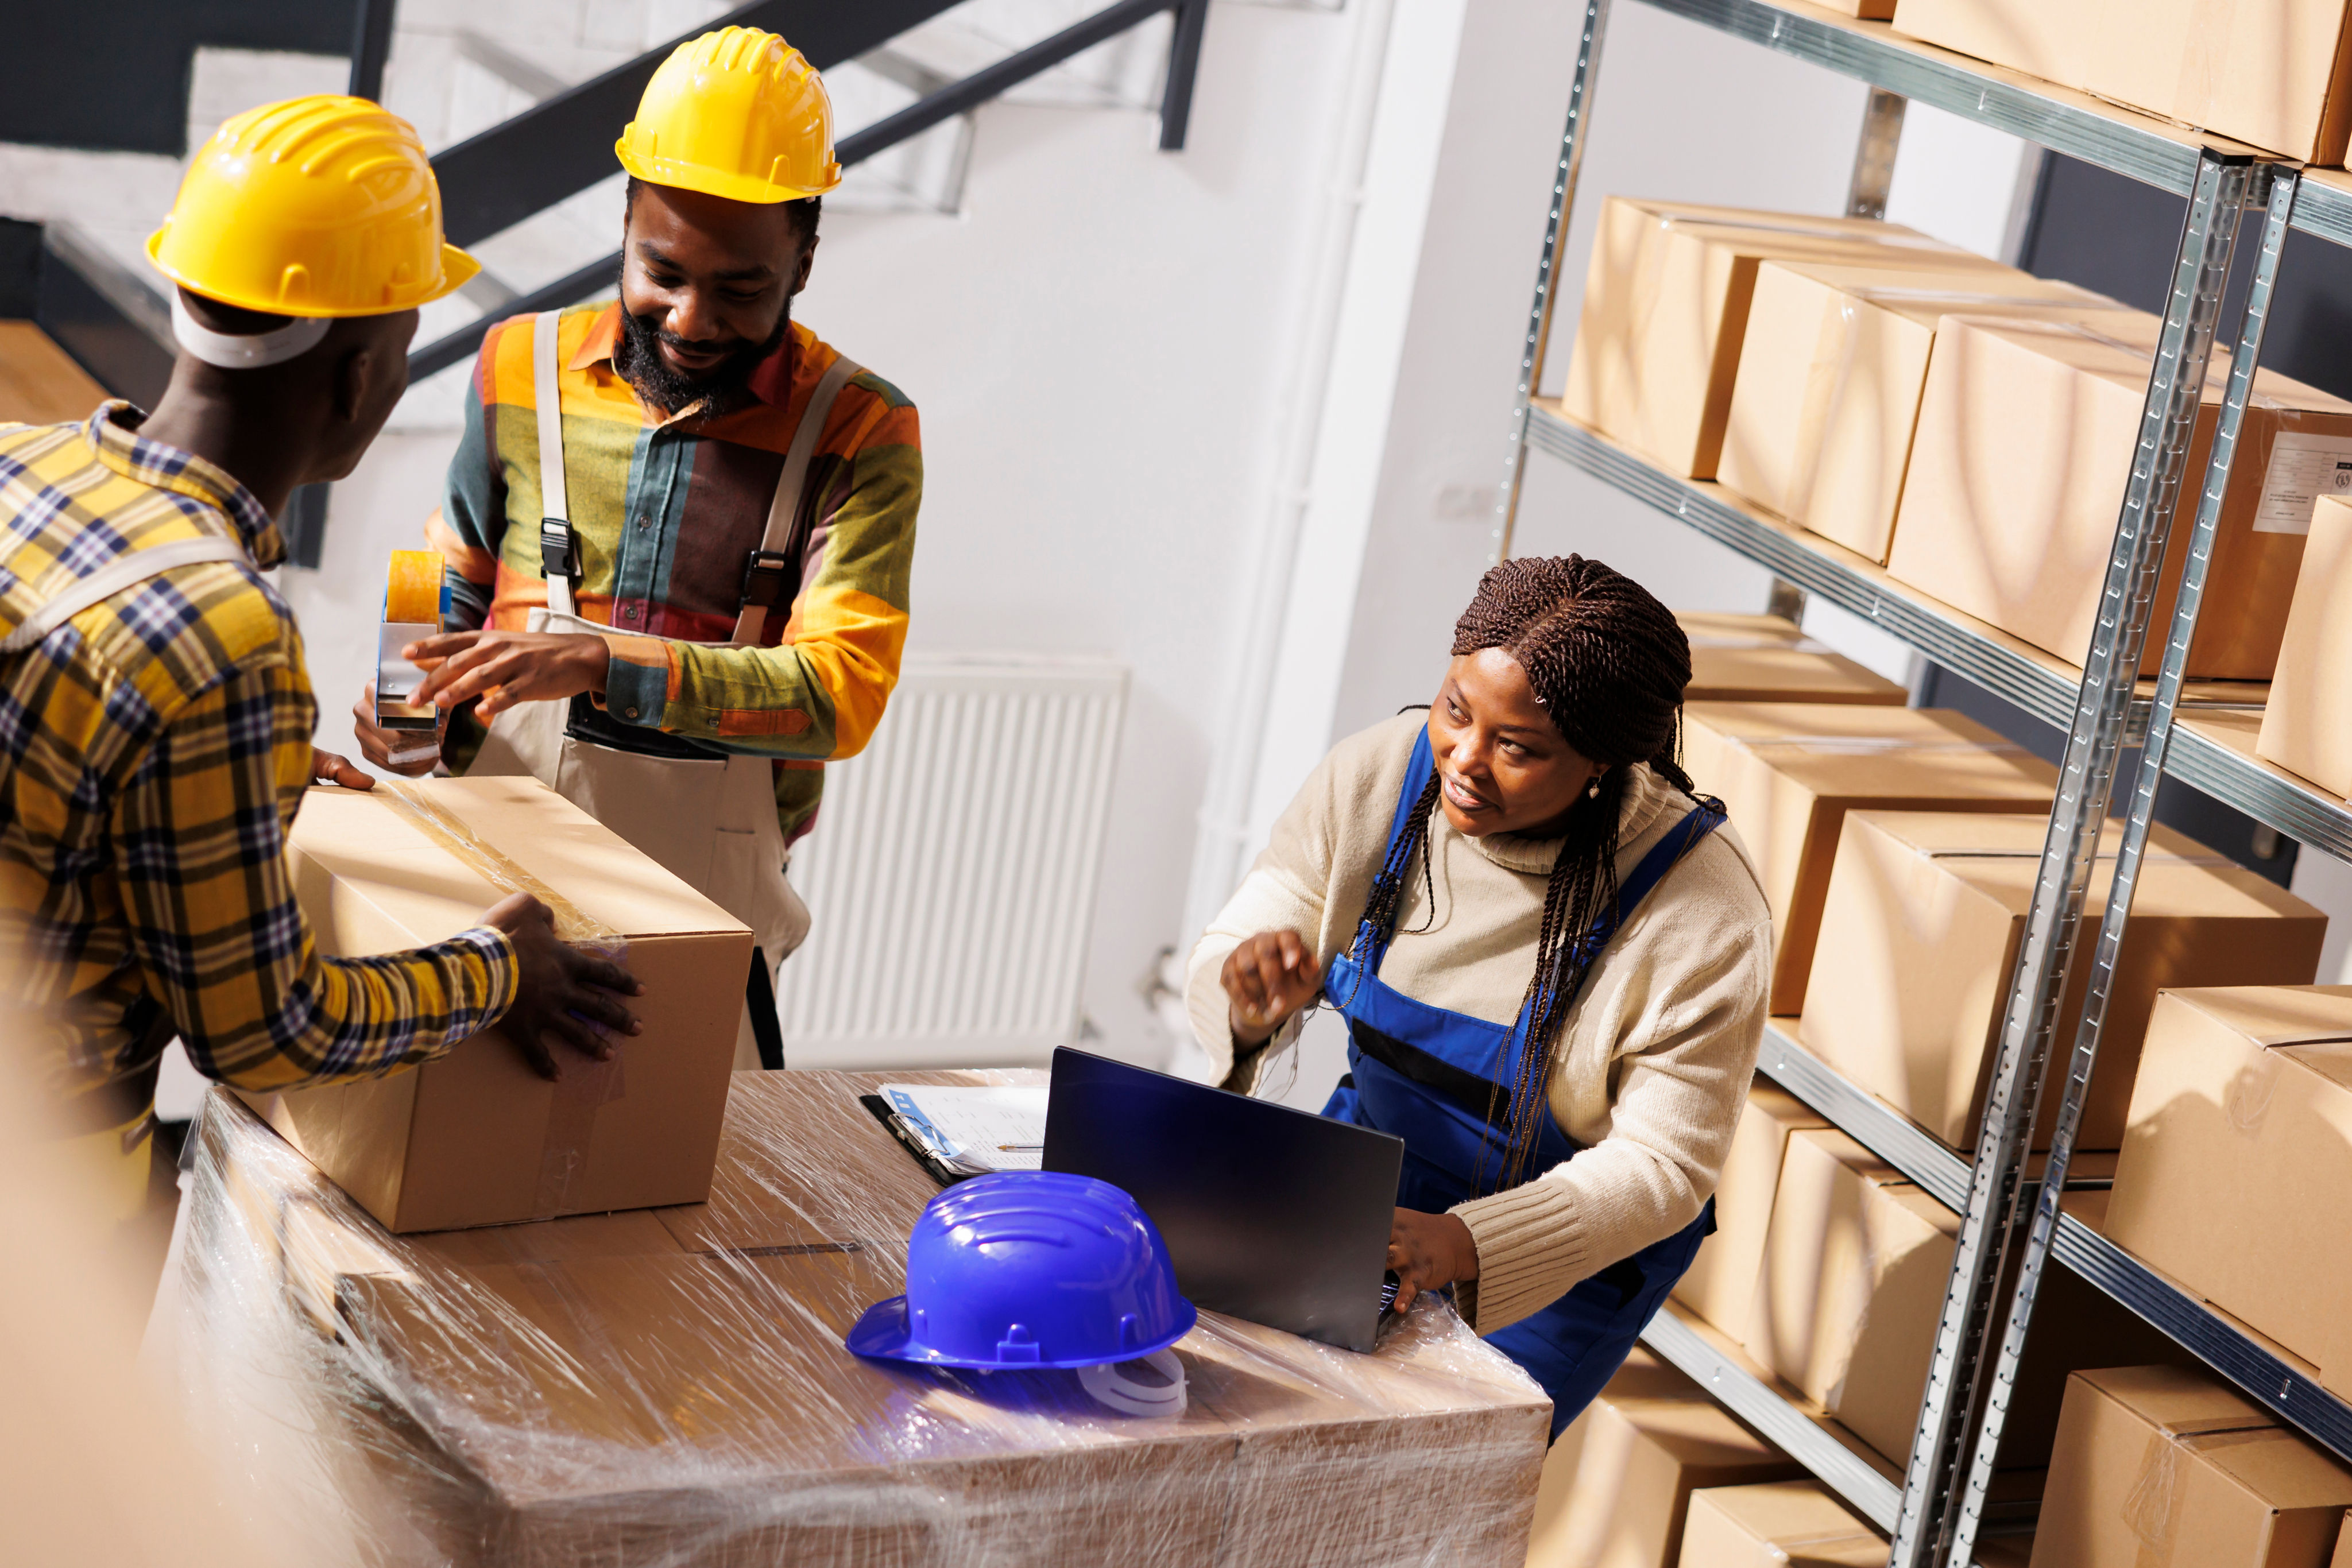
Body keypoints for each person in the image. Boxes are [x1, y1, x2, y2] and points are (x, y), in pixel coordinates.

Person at [0, 95, 641, 1229]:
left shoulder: (19, 463)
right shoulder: (228, 637)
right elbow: (261, 1028)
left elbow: (53, 742)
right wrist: (499, 970)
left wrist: (246, 763)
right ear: (357, 380)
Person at [353, 26, 922, 1072]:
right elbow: (444, 571)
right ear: (623, 220)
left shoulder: (859, 430)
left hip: (701, 903)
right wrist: (400, 705)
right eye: (661, 271)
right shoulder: (516, 362)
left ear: (804, 256)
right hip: (487, 880)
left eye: (742, 289)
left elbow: (843, 694)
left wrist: (602, 662)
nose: (691, 319)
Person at [1187, 556, 1770, 1439]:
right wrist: (1246, 995)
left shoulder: (1699, 909)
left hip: (1566, 1237)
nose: (1465, 760)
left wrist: (1461, 1244)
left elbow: (1663, 1167)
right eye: (1457, 710)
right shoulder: (1383, 779)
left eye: (1519, 748)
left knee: (1416, 1477)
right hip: (1371, 1171)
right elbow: (1268, 910)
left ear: (1603, 765)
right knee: (1244, 1415)